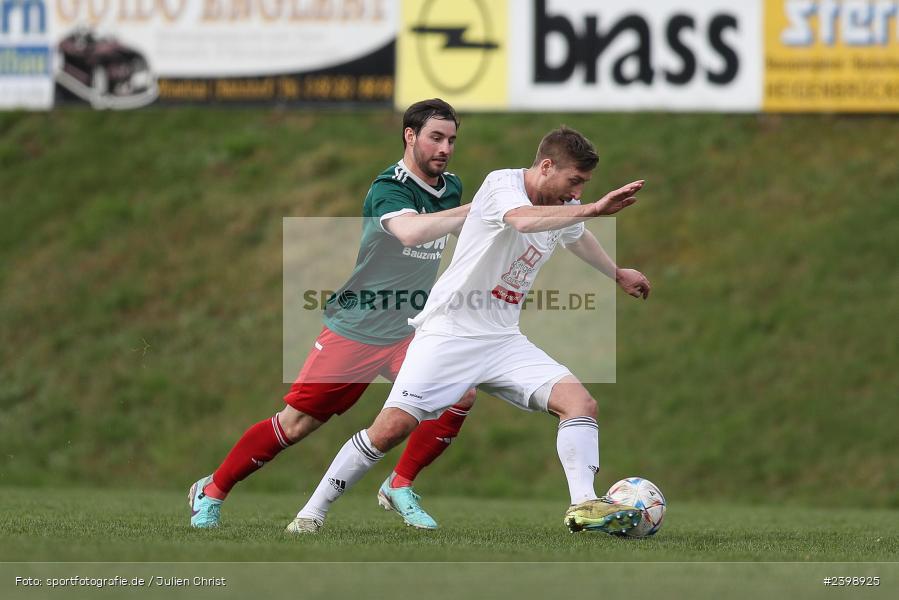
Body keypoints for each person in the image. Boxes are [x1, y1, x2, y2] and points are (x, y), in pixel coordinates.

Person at [286, 126, 651, 535]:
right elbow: (522, 221)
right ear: (546, 167)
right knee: (390, 430)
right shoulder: (502, 185)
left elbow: (574, 236)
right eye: (575, 181)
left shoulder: (562, 206)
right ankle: (311, 513)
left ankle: (583, 504)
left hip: (502, 339)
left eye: (583, 185)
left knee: (580, 403)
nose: (577, 192)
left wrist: (617, 273)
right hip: (448, 333)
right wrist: (594, 209)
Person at [189, 99, 477, 530]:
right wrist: (477, 209)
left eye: (452, 140)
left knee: (459, 394)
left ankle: (398, 484)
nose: (445, 148)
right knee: (297, 424)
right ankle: (211, 491)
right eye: (436, 137)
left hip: (410, 329)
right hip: (359, 327)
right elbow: (410, 230)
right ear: (410, 136)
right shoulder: (389, 188)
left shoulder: (450, 188)